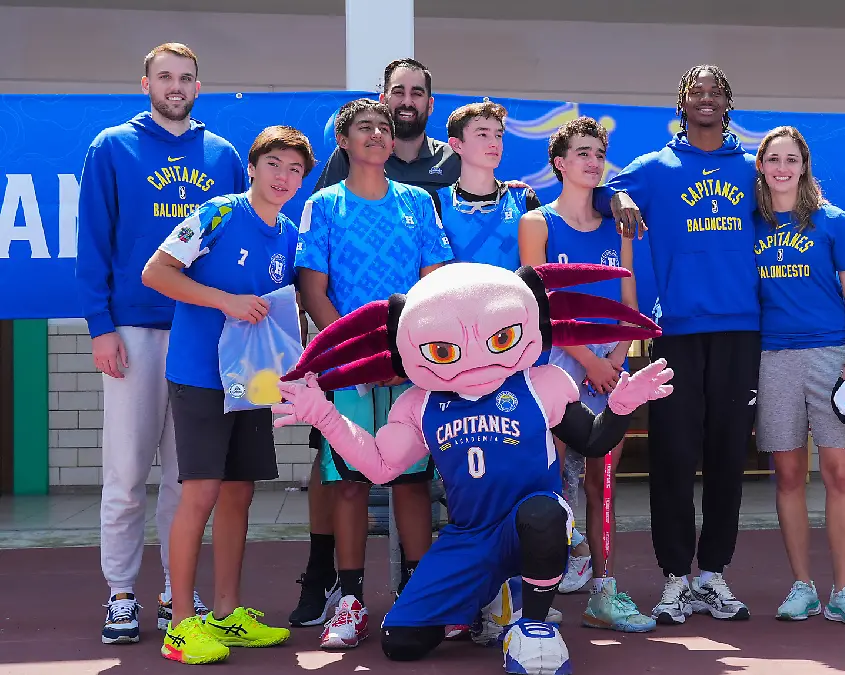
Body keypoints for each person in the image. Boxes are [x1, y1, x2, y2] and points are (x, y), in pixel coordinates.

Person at [271, 261, 673, 675]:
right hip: (469, 536)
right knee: (402, 641)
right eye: (443, 351)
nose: (477, 360)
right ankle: (494, 594)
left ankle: (533, 626)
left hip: (529, 524)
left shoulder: (540, 383)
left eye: (501, 338)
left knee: (543, 514)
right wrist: (325, 417)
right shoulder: (420, 403)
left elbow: (593, 440)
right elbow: (380, 467)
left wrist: (622, 408)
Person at [76, 41, 247, 645]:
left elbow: (232, 245)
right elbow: (94, 241)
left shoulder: (223, 156)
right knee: (125, 473)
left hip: (200, 331)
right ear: (145, 83)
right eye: (165, 76)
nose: (176, 86)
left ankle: (178, 592)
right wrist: (100, 327)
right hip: (132, 330)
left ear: (199, 87)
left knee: (188, 475)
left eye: (186, 78)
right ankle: (121, 593)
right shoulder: (112, 147)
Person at [591, 64, 760, 624]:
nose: (706, 100)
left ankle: (713, 574)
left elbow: (803, 212)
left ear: (728, 102)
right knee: (673, 455)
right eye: (697, 94)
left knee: (727, 455)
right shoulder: (654, 167)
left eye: (716, 92)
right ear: (682, 104)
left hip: (739, 328)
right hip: (675, 332)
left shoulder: (750, 167)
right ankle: (673, 578)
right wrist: (616, 202)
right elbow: (598, 194)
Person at [294, 57, 459, 630]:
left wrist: (407, 351)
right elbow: (313, 290)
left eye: (384, 127)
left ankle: (417, 597)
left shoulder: (417, 204)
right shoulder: (325, 205)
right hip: (348, 367)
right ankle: (350, 600)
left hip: (410, 365)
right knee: (350, 483)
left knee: (413, 480)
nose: (377, 134)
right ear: (343, 140)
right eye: (365, 127)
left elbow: (435, 281)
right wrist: (352, 353)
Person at [141, 124, 316, 663]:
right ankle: (180, 625)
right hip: (199, 373)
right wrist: (225, 300)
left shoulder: (289, 233)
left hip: (255, 379)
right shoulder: (217, 213)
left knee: (240, 492)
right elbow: (156, 272)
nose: (283, 177)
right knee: (201, 491)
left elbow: (289, 310)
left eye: (294, 170)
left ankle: (227, 614)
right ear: (253, 168)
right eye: (273, 165)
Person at [517, 116, 655, 633]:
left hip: (609, 365)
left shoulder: (618, 226)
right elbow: (540, 303)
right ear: (559, 163)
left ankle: (604, 592)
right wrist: (588, 360)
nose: (592, 162)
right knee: (548, 483)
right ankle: (537, 597)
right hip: (555, 363)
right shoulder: (538, 223)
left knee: (602, 483)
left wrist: (616, 358)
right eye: (581, 153)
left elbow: (628, 299)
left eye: (598, 153)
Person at [750, 126, 845, 626]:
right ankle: (802, 586)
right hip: (773, 358)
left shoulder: (831, 222)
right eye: (774, 159)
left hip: (829, 355)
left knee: (839, 474)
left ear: (804, 167)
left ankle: (844, 589)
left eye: (792, 159)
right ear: (761, 166)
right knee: (787, 475)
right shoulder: (748, 223)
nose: (783, 168)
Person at [310, 58, 460, 195]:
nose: (407, 102)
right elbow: (322, 211)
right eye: (398, 92)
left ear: (430, 105)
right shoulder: (351, 154)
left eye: (416, 94)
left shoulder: (454, 159)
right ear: (383, 101)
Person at [437, 100, 541, 270]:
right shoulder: (436, 203)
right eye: (483, 135)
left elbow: (538, 275)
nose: (494, 143)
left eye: (498, 135)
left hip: (512, 297)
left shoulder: (523, 200)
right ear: (456, 145)